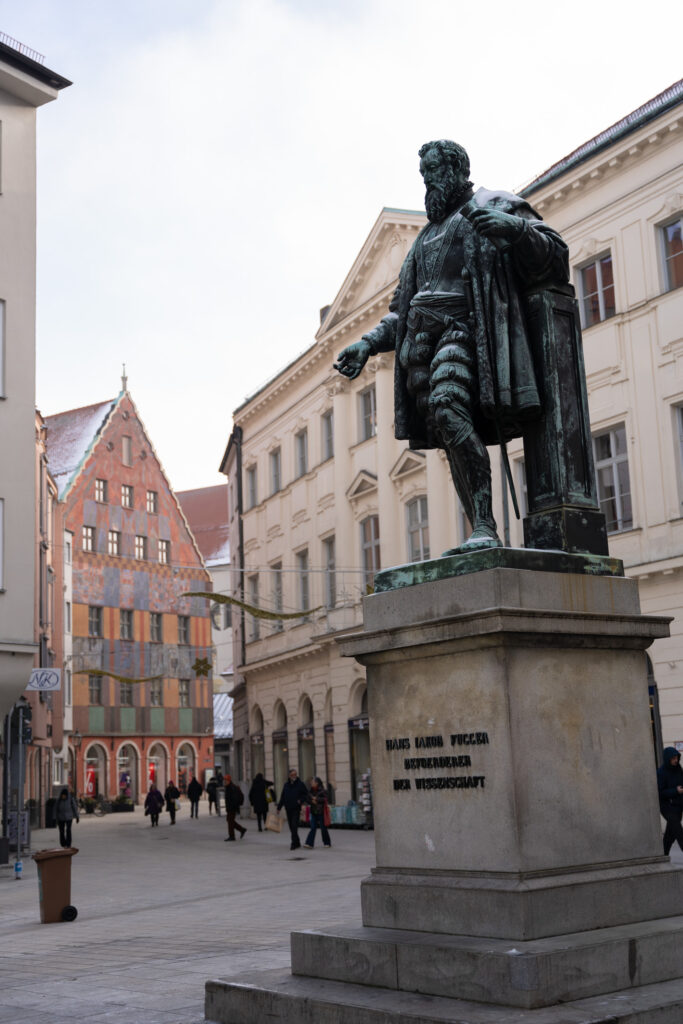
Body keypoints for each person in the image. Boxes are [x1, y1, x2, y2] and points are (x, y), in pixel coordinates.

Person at [334, 139, 583, 553]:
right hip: (420, 349)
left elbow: (555, 256)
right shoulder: (422, 242)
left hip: (468, 333)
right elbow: (399, 310)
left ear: (457, 169)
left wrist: (516, 230)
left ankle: (484, 524)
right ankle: (481, 526)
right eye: (423, 174)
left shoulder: (495, 204)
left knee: (450, 409)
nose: (427, 181)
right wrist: (367, 343)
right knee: (449, 430)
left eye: (433, 171)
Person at [657, 747, 683, 855]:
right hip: (667, 807)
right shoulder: (661, 772)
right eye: (673, 758)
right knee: (679, 832)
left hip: (678, 805)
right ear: (668, 759)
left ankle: (663, 853)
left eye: (676, 757)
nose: (675, 760)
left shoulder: (678, 768)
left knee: (670, 834)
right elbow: (660, 792)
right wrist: (675, 791)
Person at [277, 768, 310, 851]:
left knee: (294, 826)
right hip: (288, 808)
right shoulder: (286, 785)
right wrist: (279, 807)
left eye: (295, 774)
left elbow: (306, 795)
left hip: (296, 808)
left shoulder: (300, 784)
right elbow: (283, 797)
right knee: (291, 827)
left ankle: (293, 843)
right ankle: (297, 842)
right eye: (292, 775)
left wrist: (301, 800)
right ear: (289, 776)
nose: (294, 776)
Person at [303, 777, 331, 850]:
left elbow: (325, 799)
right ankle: (309, 843)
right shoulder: (311, 791)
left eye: (313, 782)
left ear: (317, 783)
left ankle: (327, 842)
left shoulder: (322, 790)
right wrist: (311, 801)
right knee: (313, 828)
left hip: (321, 812)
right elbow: (307, 799)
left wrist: (317, 799)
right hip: (313, 812)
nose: (311, 783)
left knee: (323, 828)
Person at [223, 774, 246, 841]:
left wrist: (233, 807)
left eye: (226, 780)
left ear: (229, 780)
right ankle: (242, 830)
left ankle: (232, 836)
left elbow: (234, 799)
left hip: (232, 808)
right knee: (230, 821)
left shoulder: (231, 788)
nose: (225, 781)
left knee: (230, 821)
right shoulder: (229, 787)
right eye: (224, 780)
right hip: (230, 807)